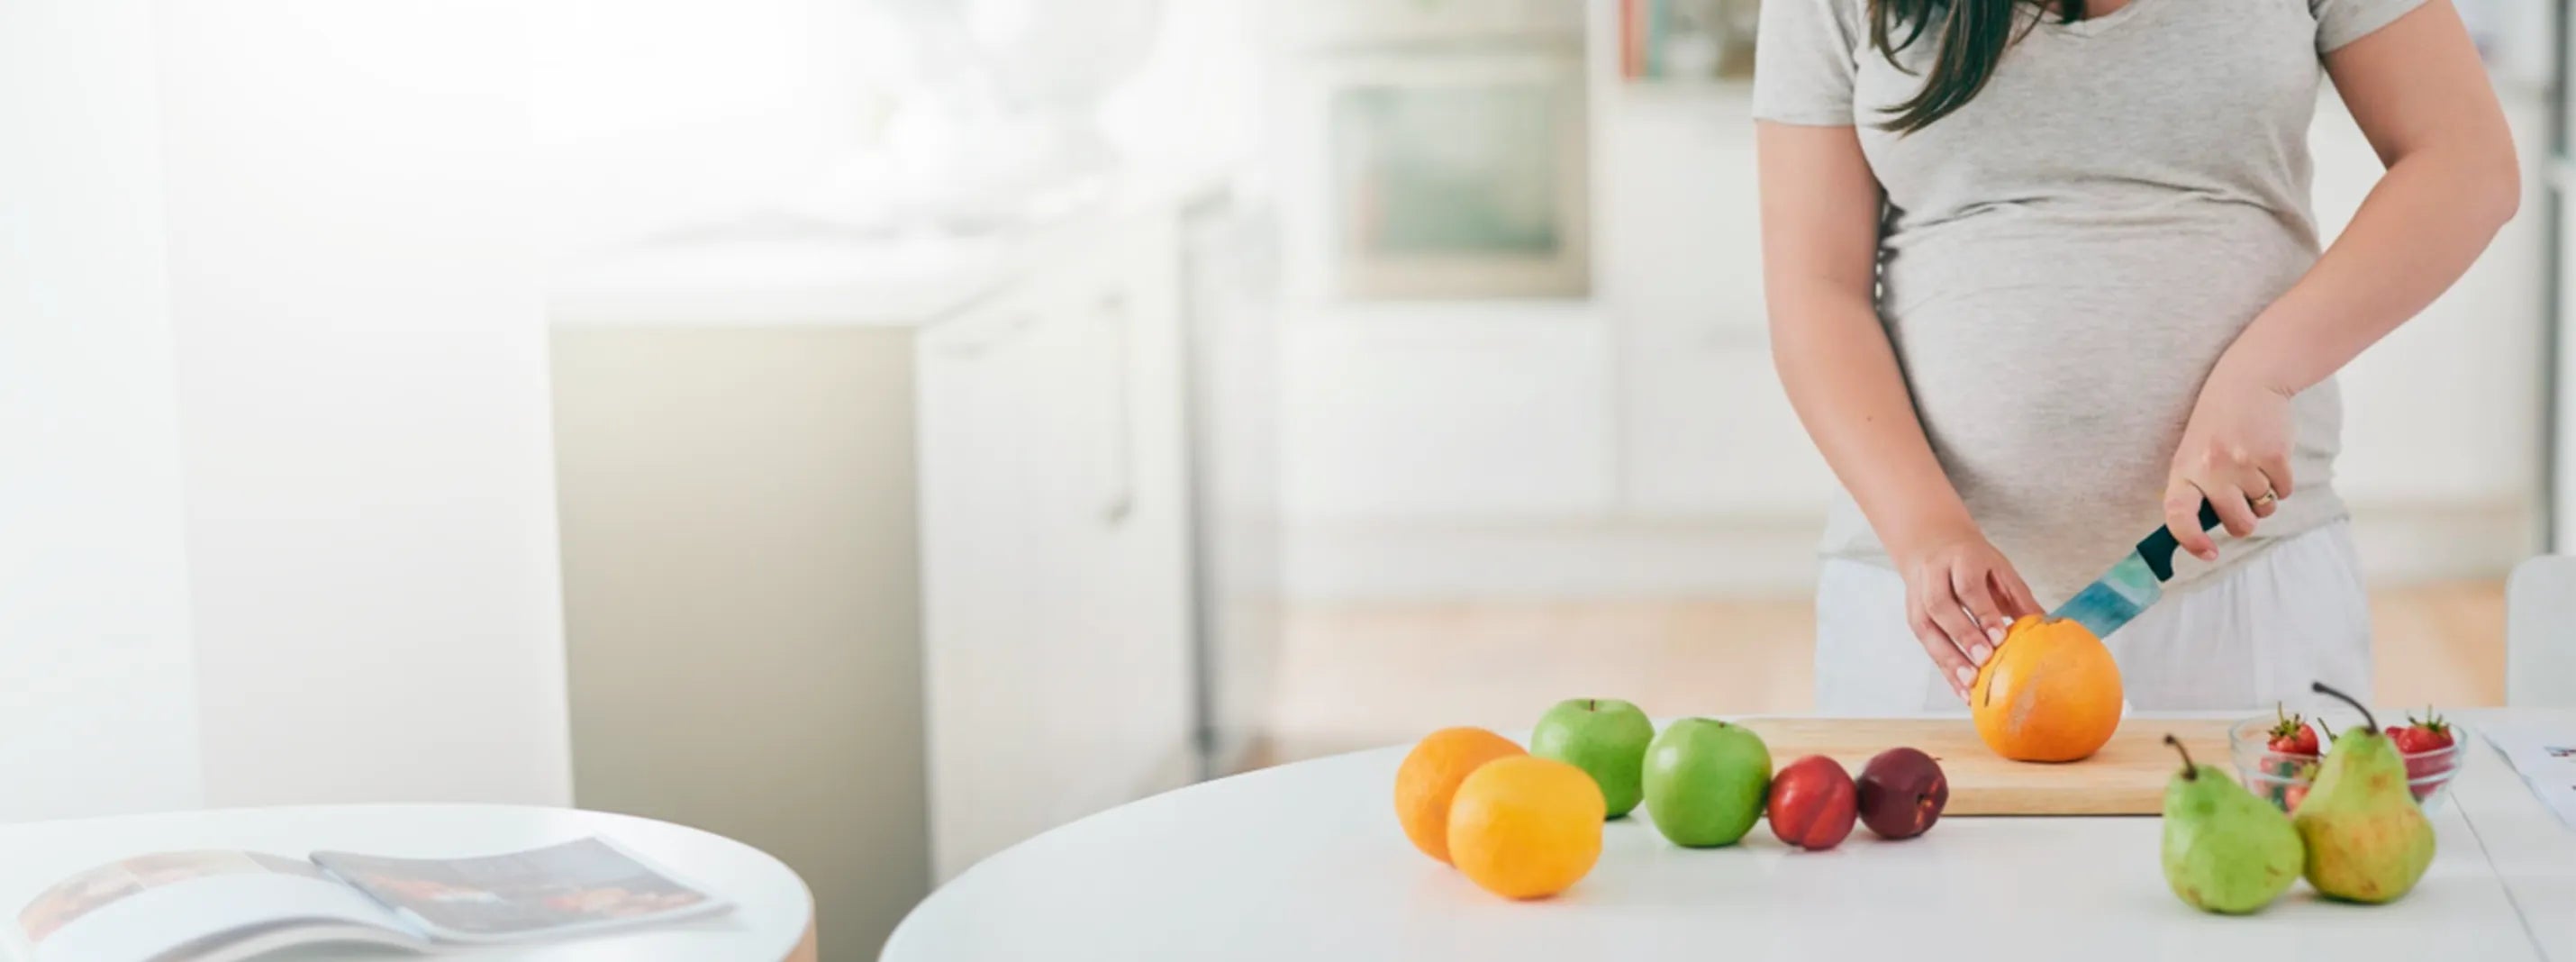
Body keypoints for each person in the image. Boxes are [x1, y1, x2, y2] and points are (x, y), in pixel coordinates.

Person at [1754, 0, 2517, 712]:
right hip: (1936, 609)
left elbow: (2465, 159)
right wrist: (1925, 532)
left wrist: (2267, 373)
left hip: (2244, 576)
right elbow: (1816, 287)